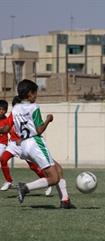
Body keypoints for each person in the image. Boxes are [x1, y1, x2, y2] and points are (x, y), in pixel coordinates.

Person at [0, 79, 75, 209]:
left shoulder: (16, 109)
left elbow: (6, 129)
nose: (36, 96)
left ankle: (65, 200)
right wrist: (48, 120)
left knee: (58, 169)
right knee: (54, 178)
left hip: (24, 146)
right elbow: (39, 129)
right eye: (35, 93)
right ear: (29, 94)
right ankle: (26, 188)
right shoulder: (34, 107)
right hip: (35, 143)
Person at [0, 96, 52, 196]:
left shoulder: (28, 116)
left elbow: (37, 130)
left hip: (25, 144)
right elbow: (6, 129)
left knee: (33, 167)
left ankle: (47, 182)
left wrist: (46, 121)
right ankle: (9, 181)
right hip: (13, 144)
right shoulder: (12, 115)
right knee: (3, 159)